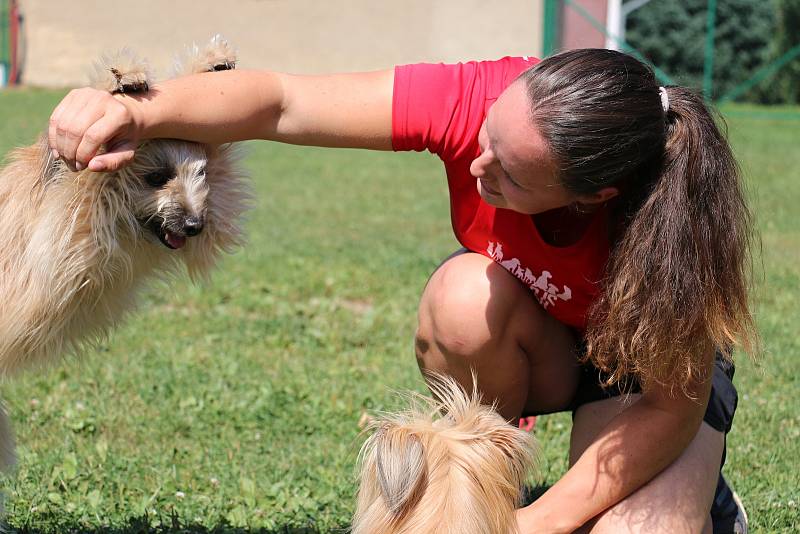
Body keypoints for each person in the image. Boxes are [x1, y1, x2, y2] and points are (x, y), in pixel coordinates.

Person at [48, 48, 756, 533]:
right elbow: (282, 102)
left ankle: (705, 502)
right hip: (535, 340)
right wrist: (139, 112)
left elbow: (670, 403)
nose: (476, 164)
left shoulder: (671, 223)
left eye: (509, 174)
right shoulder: (482, 100)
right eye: (486, 136)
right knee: (460, 295)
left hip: (642, 381)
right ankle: (486, 474)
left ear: (594, 195)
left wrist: (536, 523)